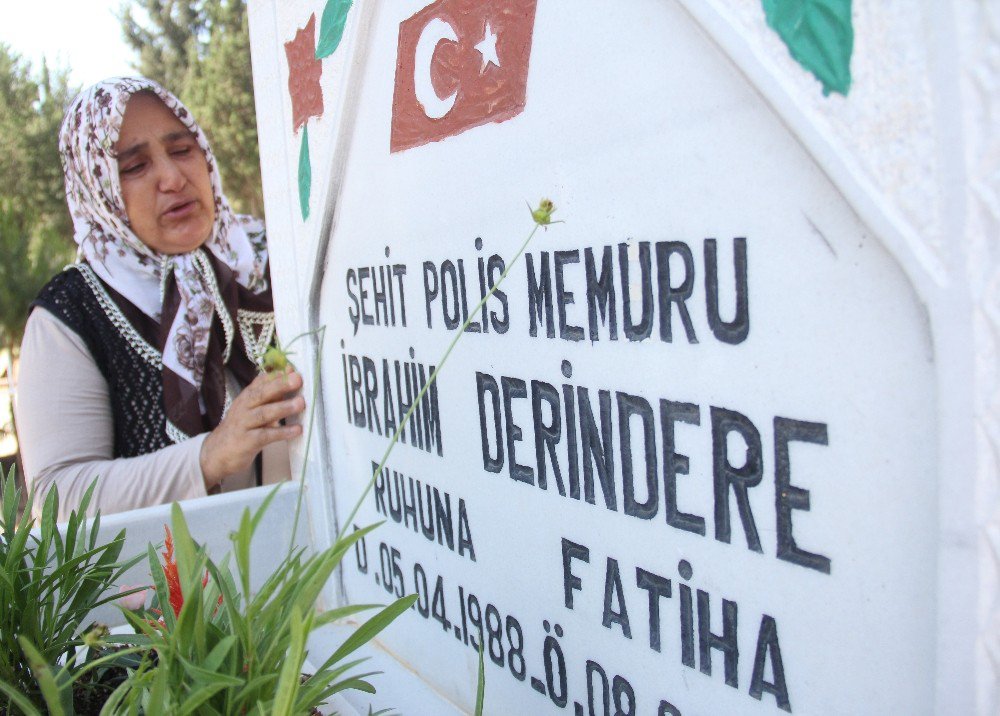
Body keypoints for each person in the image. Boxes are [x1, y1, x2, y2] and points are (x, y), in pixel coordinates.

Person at [15, 77, 305, 521]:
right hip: (169, 590)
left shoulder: (274, 258)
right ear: (99, 190)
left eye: (182, 149)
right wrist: (207, 457)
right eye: (134, 167)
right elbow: (58, 498)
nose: (172, 178)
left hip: (314, 574)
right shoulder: (71, 315)